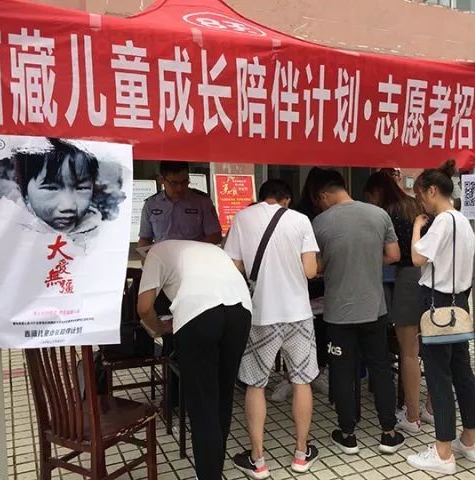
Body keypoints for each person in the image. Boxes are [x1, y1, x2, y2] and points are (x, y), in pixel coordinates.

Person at [225, 179, 320, 478]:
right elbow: (310, 271)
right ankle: (301, 455)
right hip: (298, 314)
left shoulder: (242, 218)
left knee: (256, 384)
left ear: (261, 196)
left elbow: (234, 267)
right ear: (286, 199)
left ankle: (258, 460)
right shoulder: (301, 220)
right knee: (302, 381)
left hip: (262, 314)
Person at [137, 240, 251, 480]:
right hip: (241, 311)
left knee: (202, 402)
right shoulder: (210, 249)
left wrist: (158, 328)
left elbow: (144, 307)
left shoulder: (154, 253)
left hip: (199, 314)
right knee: (223, 395)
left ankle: (208, 475)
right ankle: (214, 468)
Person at [311, 169, 406, 456]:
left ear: (325, 195)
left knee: (342, 372)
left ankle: (347, 434)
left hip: (338, 313)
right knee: (380, 369)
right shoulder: (379, 214)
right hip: (374, 309)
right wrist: (368, 260)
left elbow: (315, 267)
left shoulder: (320, 222)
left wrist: (336, 263)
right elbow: (394, 255)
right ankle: (388, 433)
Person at [406, 161, 475, 475]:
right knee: (462, 371)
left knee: (439, 375)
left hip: (437, 304)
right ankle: (470, 440)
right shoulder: (463, 221)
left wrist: (416, 227)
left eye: (420, 195)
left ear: (432, 191)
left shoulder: (442, 222)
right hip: (459, 304)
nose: (421, 202)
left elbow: (417, 258)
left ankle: (443, 452)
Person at [364, 171, 433, 434]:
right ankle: (430, 408)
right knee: (431, 348)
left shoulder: (385, 213)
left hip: (406, 278)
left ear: (376, 192)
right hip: (429, 277)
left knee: (408, 352)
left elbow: (390, 254)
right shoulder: (415, 206)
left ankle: (412, 416)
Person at [272, 167, 330, 402]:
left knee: (321, 329)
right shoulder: (299, 215)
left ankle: (319, 372)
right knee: (295, 332)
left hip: (323, 281)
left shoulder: (327, 213)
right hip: (300, 281)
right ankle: (291, 377)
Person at [138, 161, 222, 247]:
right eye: (174, 183)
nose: (180, 188)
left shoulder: (202, 202)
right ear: (161, 180)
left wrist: (191, 250)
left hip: (193, 254)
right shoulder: (151, 204)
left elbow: (215, 236)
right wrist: (146, 254)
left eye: (184, 182)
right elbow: (145, 239)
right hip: (163, 254)